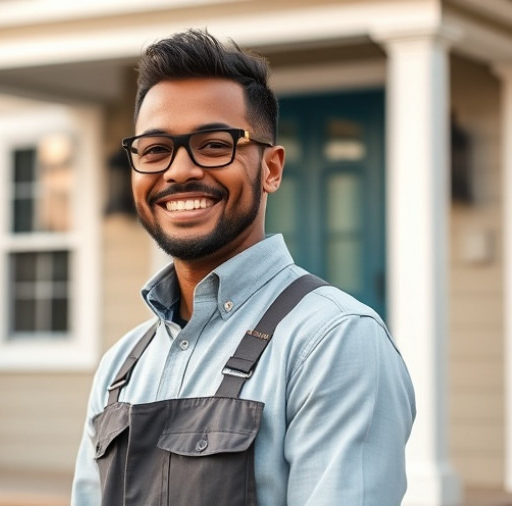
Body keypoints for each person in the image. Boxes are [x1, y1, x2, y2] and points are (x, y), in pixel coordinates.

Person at [71, 29, 415, 505]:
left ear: (271, 169)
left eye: (214, 145)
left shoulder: (334, 341)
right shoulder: (120, 368)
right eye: (154, 151)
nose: (178, 171)